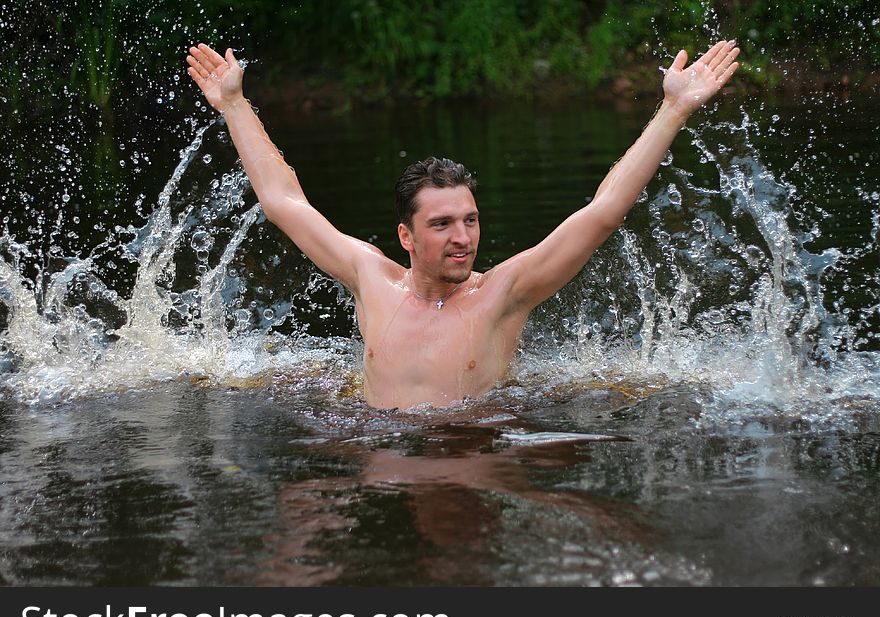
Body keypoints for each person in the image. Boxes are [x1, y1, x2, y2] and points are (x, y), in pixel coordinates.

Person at [187, 40, 739, 409]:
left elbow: (602, 213)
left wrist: (674, 110)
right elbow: (285, 203)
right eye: (443, 223)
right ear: (406, 236)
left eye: (471, 220)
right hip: (382, 452)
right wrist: (234, 104)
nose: (463, 238)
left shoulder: (504, 293)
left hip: (472, 449)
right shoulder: (371, 278)